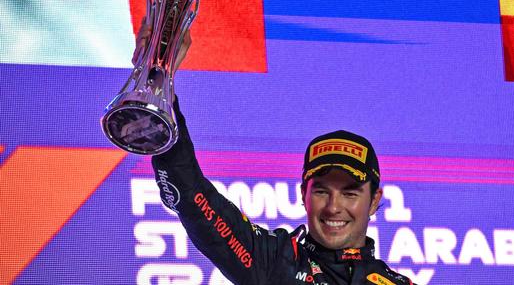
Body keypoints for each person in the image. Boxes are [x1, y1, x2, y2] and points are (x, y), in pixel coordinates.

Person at [136, 28, 415, 285]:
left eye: (350, 193)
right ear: (302, 193)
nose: (333, 207)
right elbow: (193, 196)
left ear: (375, 201)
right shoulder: (274, 261)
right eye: (320, 191)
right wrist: (160, 85)